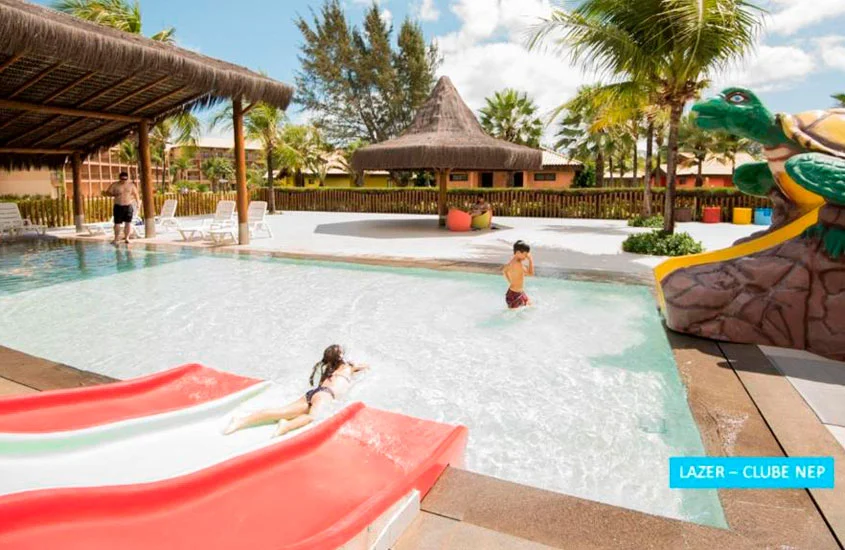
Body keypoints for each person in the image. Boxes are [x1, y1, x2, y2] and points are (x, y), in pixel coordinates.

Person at [223, 345, 369, 438]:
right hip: (325, 395)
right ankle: (286, 425)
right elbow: (366, 366)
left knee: (281, 410)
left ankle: (241, 421)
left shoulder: (330, 369)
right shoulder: (348, 367)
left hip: (315, 393)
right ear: (342, 358)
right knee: (312, 417)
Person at [105, 172, 140, 244]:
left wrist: (138, 203)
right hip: (118, 206)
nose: (123, 181)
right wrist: (113, 194)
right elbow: (107, 193)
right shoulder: (115, 185)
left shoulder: (131, 185)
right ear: (119, 178)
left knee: (128, 223)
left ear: (127, 178)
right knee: (117, 223)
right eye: (122, 179)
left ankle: (127, 238)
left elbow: (136, 194)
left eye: (125, 179)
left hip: (128, 205)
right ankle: (116, 238)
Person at [502, 240, 534, 309]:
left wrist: (511, 282)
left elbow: (504, 271)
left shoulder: (511, 261)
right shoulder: (519, 265)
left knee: (530, 305)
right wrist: (530, 260)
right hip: (514, 295)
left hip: (516, 292)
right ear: (518, 252)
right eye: (525, 255)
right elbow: (531, 273)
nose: (526, 257)